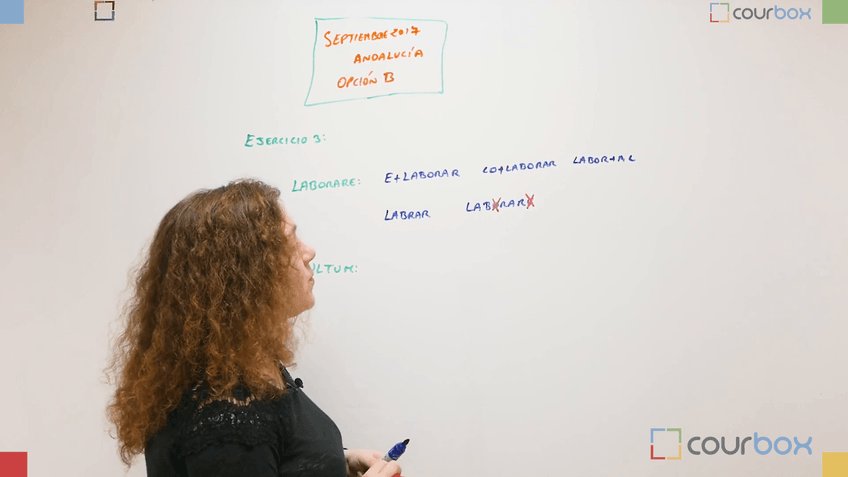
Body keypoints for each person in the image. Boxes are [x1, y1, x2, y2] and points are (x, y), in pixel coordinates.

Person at [104, 179, 403, 477]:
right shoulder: (227, 418)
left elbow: (276, 455)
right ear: (246, 274)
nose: (309, 252)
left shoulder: (243, 375)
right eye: (290, 242)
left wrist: (336, 461)